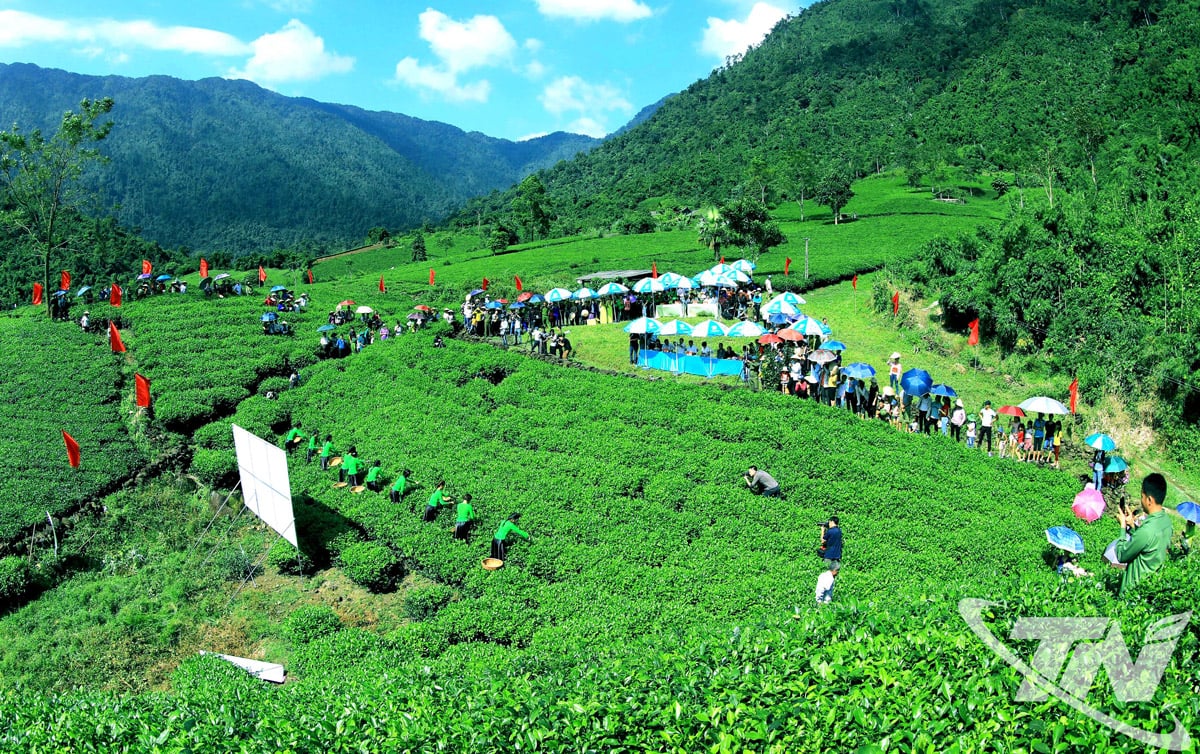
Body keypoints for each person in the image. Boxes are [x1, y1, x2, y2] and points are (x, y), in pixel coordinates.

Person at [1115, 473, 1173, 596]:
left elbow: (1121, 555)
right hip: (1148, 589)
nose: (1141, 500)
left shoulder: (1146, 531)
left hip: (1132, 593)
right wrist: (1132, 526)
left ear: (1149, 500)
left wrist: (1122, 527)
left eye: (1142, 496)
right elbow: (1147, 543)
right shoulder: (1166, 522)